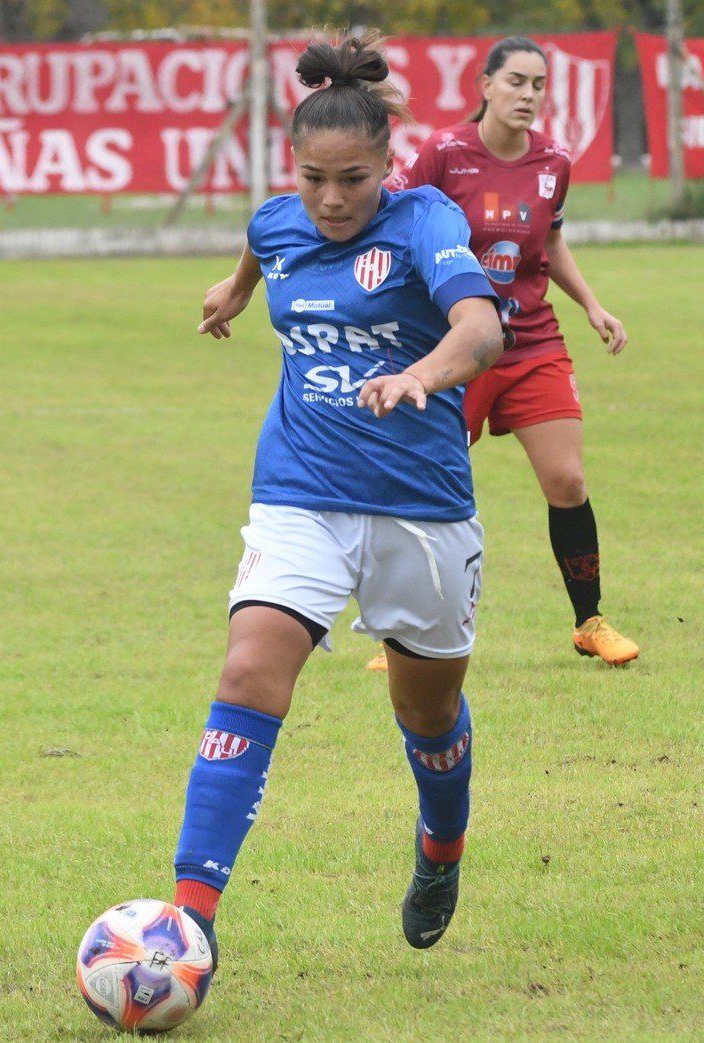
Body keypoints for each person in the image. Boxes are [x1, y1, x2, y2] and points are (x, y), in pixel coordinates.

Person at [170, 31, 504, 974]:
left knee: (429, 713)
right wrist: (229, 295)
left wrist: (422, 374)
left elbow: (479, 329)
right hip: (299, 493)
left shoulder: (425, 220)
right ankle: (191, 919)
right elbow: (258, 246)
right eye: (314, 178)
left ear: (386, 165)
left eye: (351, 178)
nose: (330, 198)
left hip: (421, 511)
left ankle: (441, 845)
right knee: (247, 671)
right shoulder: (278, 222)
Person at [372, 35, 639, 669]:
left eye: (539, 84)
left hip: (531, 341)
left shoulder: (554, 162)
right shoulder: (444, 151)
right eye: (516, 80)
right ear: (485, 86)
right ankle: (402, 631)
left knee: (567, 480)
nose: (528, 94)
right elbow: (396, 220)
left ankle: (590, 621)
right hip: (455, 346)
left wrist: (592, 305)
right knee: (424, 481)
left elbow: (548, 242)